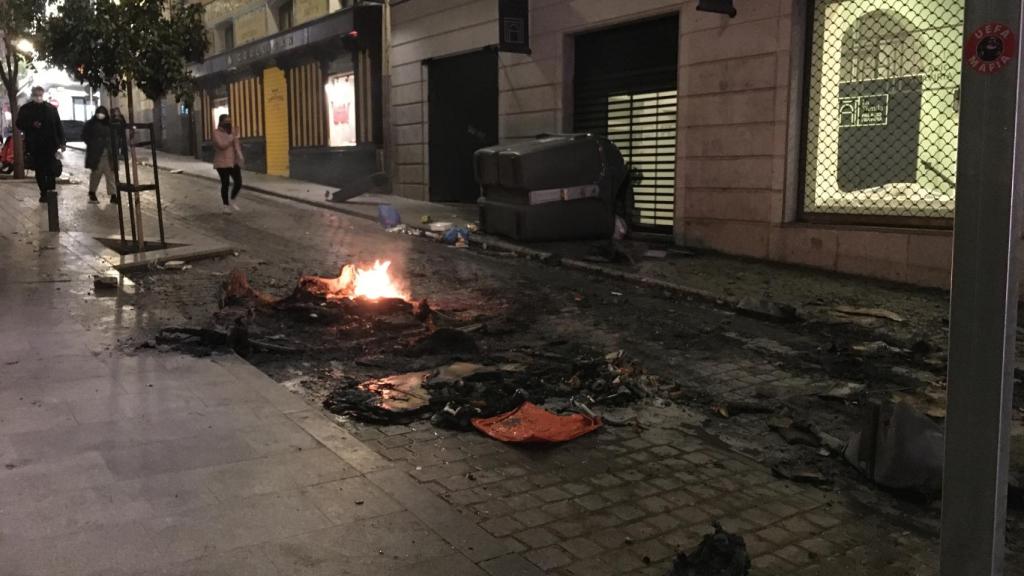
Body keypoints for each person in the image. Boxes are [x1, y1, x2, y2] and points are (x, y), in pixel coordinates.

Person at [16, 87, 65, 203]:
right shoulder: (26, 109)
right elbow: (19, 123)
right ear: (32, 95)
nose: (38, 97)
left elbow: (58, 125)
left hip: (51, 145)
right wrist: (32, 124)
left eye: (40, 95)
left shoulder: (51, 109)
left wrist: (62, 142)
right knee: (40, 170)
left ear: (43, 95)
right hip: (35, 145)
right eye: (36, 95)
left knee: (51, 169)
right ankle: (43, 193)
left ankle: (51, 191)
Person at [81, 106, 118, 204]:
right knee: (96, 174)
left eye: (102, 113)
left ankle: (113, 195)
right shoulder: (90, 124)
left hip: (108, 154)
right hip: (96, 154)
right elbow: (84, 136)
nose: (100, 115)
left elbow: (114, 137)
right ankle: (92, 193)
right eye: (99, 112)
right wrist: (93, 144)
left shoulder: (109, 124)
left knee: (110, 175)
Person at [212, 114, 243, 213]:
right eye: (226, 121)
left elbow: (236, 145)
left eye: (229, 121)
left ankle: (233, 199)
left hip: (233, 161)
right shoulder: (216, 133)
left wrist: (240, 156)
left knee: (238, 182)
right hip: (222, 163)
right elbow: (222, 145)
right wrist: (231, 137)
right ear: (221, 122)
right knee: (225, 183)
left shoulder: (232, 132)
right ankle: (226, 206)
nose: (228, 123)